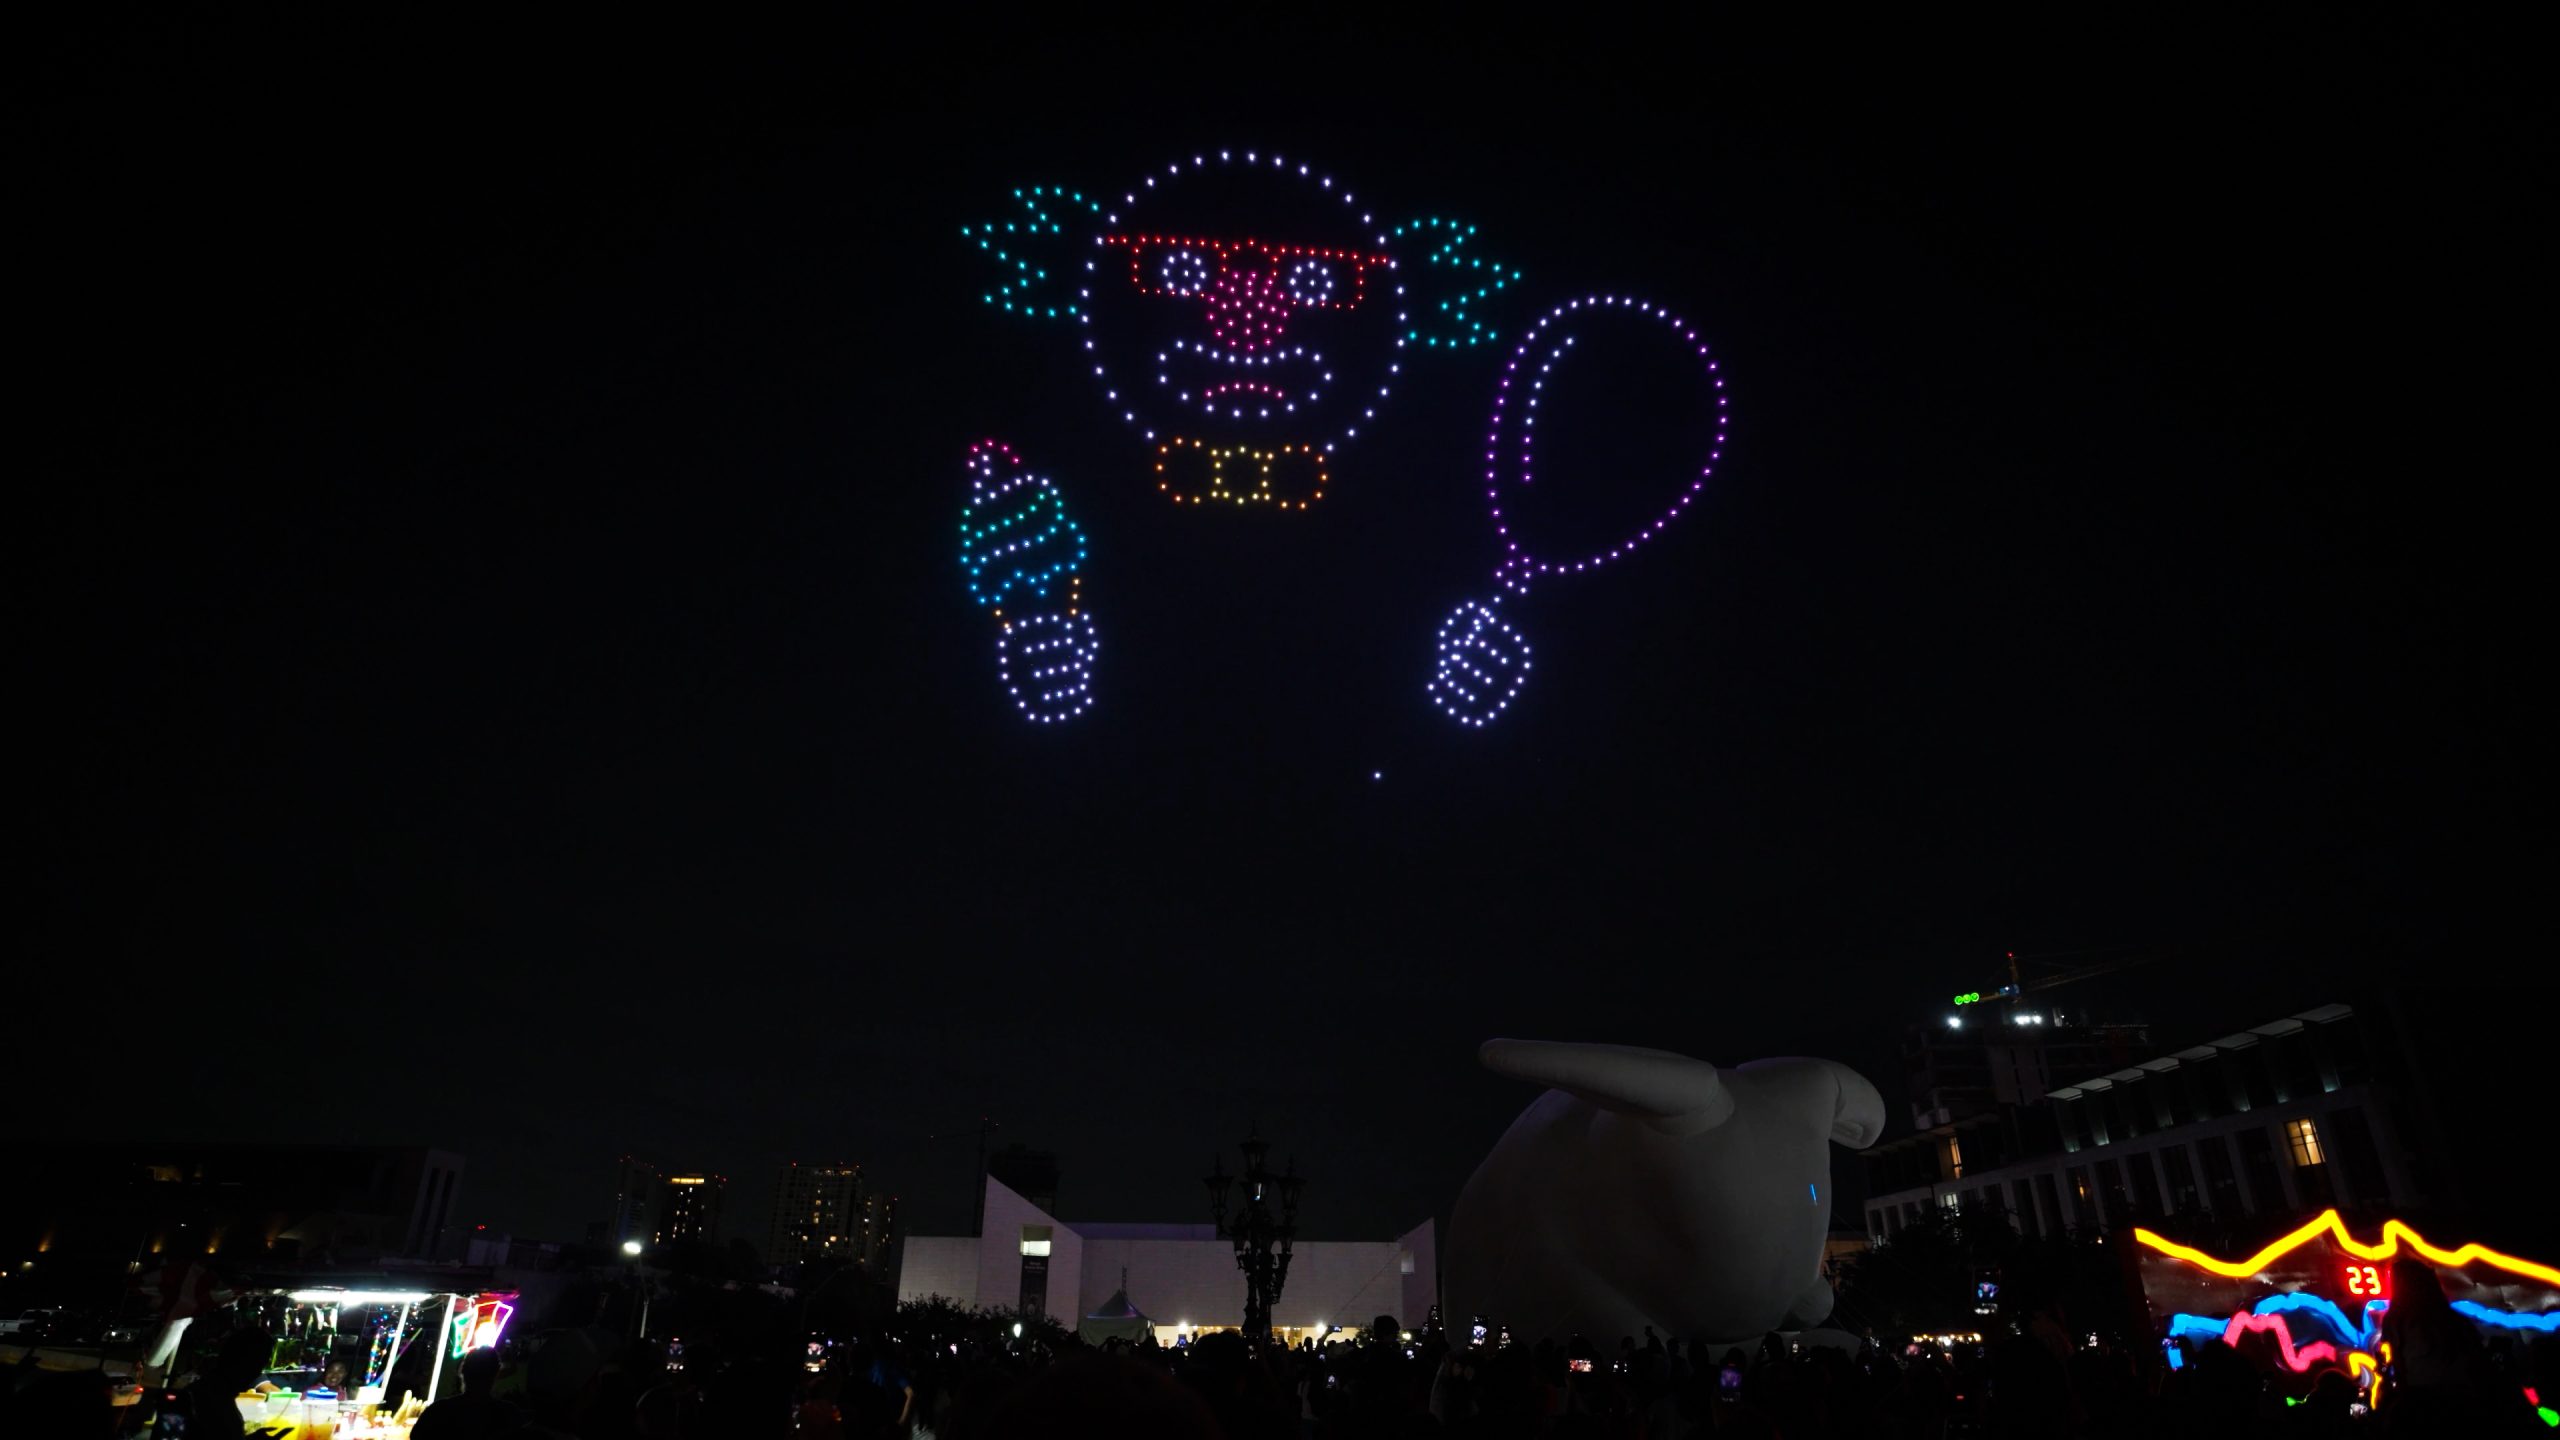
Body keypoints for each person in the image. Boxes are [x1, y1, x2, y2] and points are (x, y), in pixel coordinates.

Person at [412, 1347, 523, 1438]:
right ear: (496, 1373)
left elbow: (416, 1435)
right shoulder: (508, 1414)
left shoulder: (438, 1411)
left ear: (462, 1371)